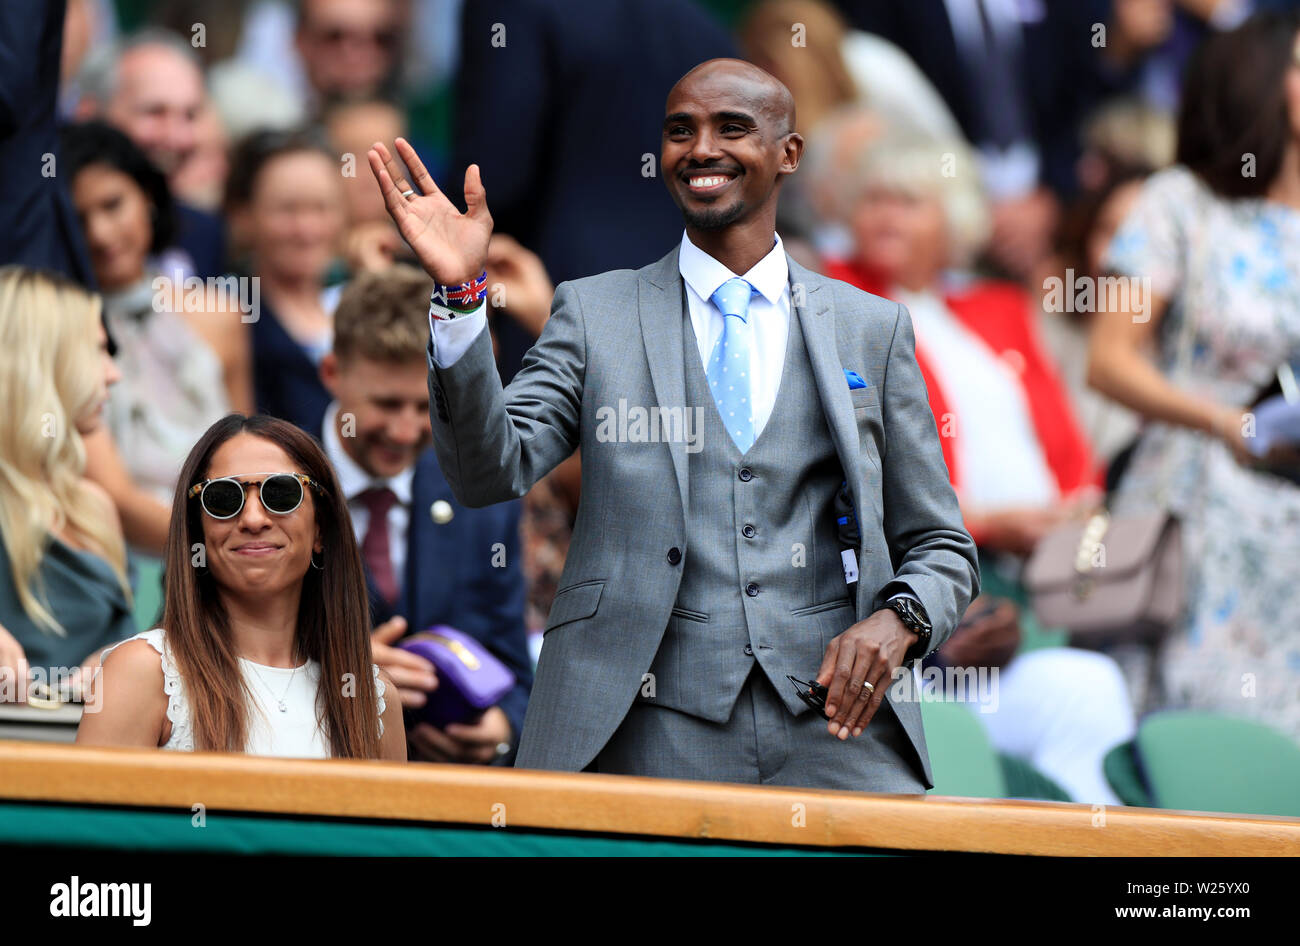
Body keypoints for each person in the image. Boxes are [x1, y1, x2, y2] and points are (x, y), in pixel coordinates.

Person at [371, 58, 980, 790]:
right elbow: (484, 471)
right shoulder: (596, 313)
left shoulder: (869, 329)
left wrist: (899, 622)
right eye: (680, 131)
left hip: (836, 725)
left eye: (732, 128)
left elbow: (942, 545)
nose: (701, 150)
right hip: (647, 719)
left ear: (788, 154)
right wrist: (461, 293)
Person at [1088, 11, 1300, 738]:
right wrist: (1223, 421)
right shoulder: (1180, 202)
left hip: (1293, 509)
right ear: (1259, 84)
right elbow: (1108, 361)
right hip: (1200, 494)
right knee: (1196, 734)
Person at [78, 414, 405, 759]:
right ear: (197, 532)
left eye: (281, 494)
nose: (252, 519)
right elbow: (88, 814)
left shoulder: (374, 699)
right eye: (222, 498)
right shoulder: (142, 672)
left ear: (320, 530)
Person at [317, 266, 533, 763]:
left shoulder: (481, 496)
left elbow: (515, 672)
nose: (406, 430)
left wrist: (501, 731)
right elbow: (202, 647)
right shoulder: (271, 488)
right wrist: (332, 670)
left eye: (427, 405)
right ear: (332, 373)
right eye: (387, 404)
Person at [63, 120, 251, 561]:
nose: (100, 234)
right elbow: (115, 498)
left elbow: (247, 450)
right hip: (124, 560)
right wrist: (223, 548)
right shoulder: (60, 331)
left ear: (148, 196)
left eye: (113, 205)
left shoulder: (219, 314)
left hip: (232, 541)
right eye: (78, 218)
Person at [0, 267, 132, 691]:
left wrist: (121, 661)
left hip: (95, 748)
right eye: (97, 351)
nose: (114, 374)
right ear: (43, 361)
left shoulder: (94, 505)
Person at [73, 29, 227, 278]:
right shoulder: (43, 227)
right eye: (154, 112)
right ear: (89, 114)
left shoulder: (204, 232)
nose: (179, 138)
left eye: (190, 115)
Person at [225, 128, 347, 435]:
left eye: (321, 207)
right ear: (243, 216)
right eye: (287, 210)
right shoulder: (227, 314)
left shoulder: (360, 303)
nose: (306, 229)